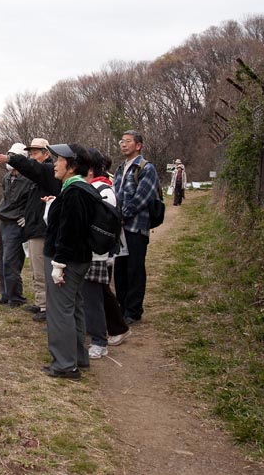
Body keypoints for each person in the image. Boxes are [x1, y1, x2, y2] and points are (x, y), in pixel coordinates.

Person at [0, 138, 62, 322]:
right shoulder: (23, 176)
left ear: (47, 153)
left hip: (40, 229)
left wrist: (10, 159)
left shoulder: (46, 171)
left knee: (38, 269)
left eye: (35, 152)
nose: (32, 156)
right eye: (30, 153)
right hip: (31, 228)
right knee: (34, 269)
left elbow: (31, 169)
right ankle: (40, 303)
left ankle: (45, 307)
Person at [40, 143, 94, 380]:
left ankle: (64, 365)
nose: (54, 164)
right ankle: (78, 358)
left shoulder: (73, 192)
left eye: (59, 160)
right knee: (75, 307)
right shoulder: (81, 188)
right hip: (80, 259)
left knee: (60, 311)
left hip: (67, 261)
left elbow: (69, 231)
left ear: (71, 166)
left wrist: (58, 265)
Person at [81, 149, 130, 358]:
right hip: (97, 250)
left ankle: (99, 341)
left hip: (96, 251)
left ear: (90, 169)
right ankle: (118, 328)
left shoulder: (102, 190)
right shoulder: (97, 187)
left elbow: (104, 223)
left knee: (94, 294)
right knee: (100, 291)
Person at [113, 130, 160, 325]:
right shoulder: (120, 168)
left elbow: (143, 197)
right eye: (121, 141)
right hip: (120, 229)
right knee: (120, 270)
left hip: (136, 227)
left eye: (128, 141)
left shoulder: (146, 168)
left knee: (135, 269)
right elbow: (116, 195)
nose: (123, 144)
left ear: (138, 145)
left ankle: (133, 310)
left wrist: (123, 215)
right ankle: (122, 307)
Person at [0, 142, 33, 307]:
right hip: (4, 221)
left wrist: (27, 216)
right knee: (1, 262)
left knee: (11, 261)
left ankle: (15, 296)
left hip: (16, 224)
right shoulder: (7, 178)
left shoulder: (29, 179)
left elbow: (33, 201)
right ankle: (5, 294)